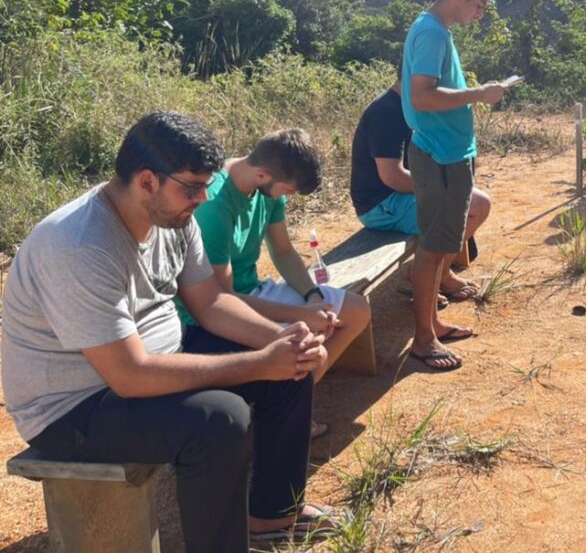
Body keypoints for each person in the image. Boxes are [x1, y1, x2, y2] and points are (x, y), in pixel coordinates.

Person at [1, 112, 338, 550]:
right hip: (74, 409)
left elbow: (212, 304)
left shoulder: (174, 218)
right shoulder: (80, 246)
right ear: (147, 181)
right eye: (193, 187)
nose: (203, 197)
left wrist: (283, 340)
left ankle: (272, 516)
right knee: (221, 420)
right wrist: (257, 363)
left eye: (206, 185)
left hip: (153, 358)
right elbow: (130, 375)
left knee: (288, 369)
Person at [182, 128, 372, 439]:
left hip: (252, 290)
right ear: (262, 174)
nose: (289, 196)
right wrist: (299, 316)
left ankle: (289, 405)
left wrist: (312, 297)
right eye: (288, 190)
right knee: (298, 344)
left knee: (356, 311)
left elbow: (283, 251)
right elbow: (220, 299)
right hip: (214, 310)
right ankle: (283, 417)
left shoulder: (266, 187)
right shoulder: (215, 207)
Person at [401, 0, 513, 371]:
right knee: (433, 249)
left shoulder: (433, 30)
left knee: (440, 244)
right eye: (479, 6)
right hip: (440, 156)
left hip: (444, 153)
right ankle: (423, 339)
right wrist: (479, 95)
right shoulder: (431, 32)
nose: (479, 15)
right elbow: (423, 97)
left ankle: (432, 324)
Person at [349, 79, 491, 299]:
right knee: (475, 205)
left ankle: (433, 270)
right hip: (381, 205)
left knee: (473, 199)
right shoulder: (386, 113)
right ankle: (436, 275)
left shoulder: (408, 106)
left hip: (399, 196)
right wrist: (439, 187)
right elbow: (392, 177)